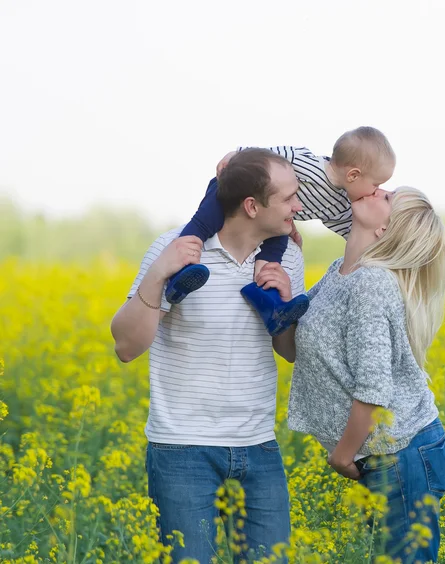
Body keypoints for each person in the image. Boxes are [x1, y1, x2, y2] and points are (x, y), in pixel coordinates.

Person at [110, 148, 305, 563]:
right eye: (288, 198)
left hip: (258, 446)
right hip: (183, 450)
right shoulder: (173, 249)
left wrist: (287, 301)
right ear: (252, 206)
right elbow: (126, 347)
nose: (298, 206)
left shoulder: (286, 255)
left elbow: (287, 352)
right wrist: (159, 273)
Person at [284, 187, 445, 562]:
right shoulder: (340, 272)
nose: (377, 188)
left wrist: (342, 457)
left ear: (386, 229)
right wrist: (288, 275)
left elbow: (374, 390)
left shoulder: (371, 285)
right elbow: (293, 347)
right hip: (384, 455)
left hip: (401, 454)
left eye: (389, 197)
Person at [165, 126, 396, 336]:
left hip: (274, 222)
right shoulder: (305, 162)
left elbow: (355, 231)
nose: (376, 191)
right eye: (376, 184)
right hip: (233, 187)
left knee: (273, 257)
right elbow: (264, 158)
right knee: (204, 224)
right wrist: (235, 155)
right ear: (353, 175)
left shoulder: (340, 204)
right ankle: (180, 274)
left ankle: (271, 306)